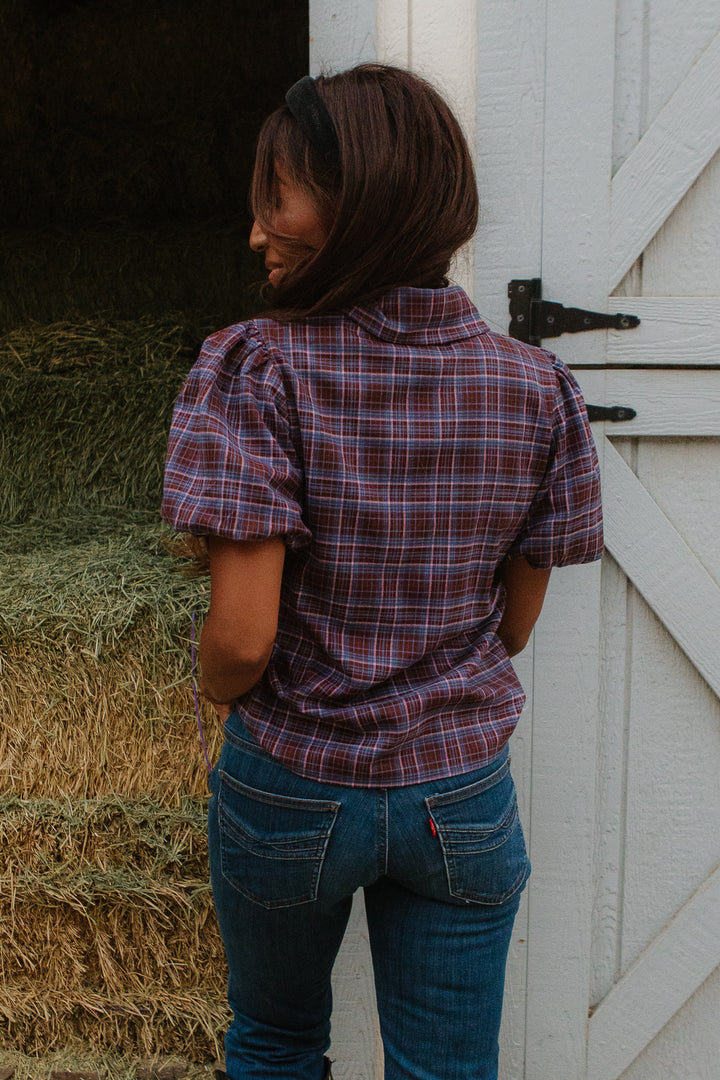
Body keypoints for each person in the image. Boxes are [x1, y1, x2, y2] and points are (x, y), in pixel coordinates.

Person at [161, 64, 603, 1080]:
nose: (257, 230)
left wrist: (217, 693)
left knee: (275, 1042)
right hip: (462, 795)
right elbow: (514, 629)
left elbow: (240, 638)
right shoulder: (536, 384)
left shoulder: (257, 367)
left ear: (360, 199)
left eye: (278, 196)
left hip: (295, 782)